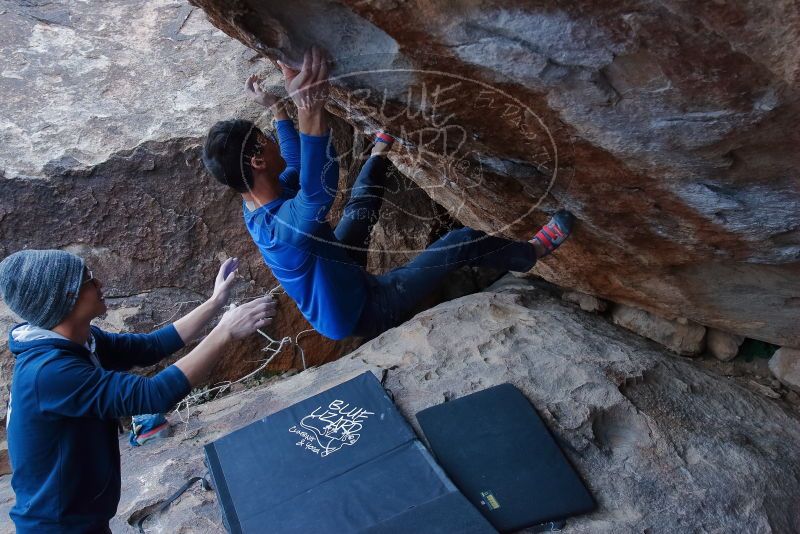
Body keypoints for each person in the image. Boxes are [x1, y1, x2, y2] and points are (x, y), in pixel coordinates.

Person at [202, 46, 574, 341]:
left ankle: (382, 148)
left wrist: (278, 108)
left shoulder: (257, 198)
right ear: (255, 161)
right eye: (265, 141)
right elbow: (316, 192)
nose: (272, 143)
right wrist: (308, 108)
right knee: (458, 242)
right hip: (364, 308)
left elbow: (297, 167)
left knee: (360, 208)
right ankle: (530, 254)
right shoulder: (283, 230)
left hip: (339, 269)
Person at [0, 250, 275, 533]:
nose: (100, 284)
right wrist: (223, 332)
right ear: (64, 299)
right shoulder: (48, 373)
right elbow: (153, 394)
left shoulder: (75, 339)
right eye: (89, 281)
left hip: (84, 519)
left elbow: (149, 347)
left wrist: (216, 302)